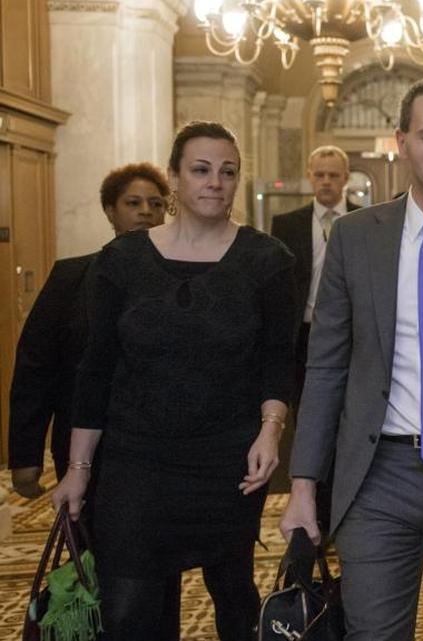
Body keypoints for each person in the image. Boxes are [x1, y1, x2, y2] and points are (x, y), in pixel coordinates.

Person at [279, 76, 423, 641]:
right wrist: (303, 485)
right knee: (372, 631)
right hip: (376, 475)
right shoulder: (355, 239)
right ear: (401, 142)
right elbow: (326, 367)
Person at [52, 120, 296, 641]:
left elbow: (278, 362)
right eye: (201, 170)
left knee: (234, 596)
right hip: (136, 461)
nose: (215, 182)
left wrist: (270, 430)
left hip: (226, 461)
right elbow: (96, 371)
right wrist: (78, 469)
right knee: (128, 606)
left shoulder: (267, 261)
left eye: (227, 172)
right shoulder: (122, 261)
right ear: (175, 179)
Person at [9, 163, 168, 499]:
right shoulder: (71, 278)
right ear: (110, 211)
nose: (146, 213)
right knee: (92, 544)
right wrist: (25, 457)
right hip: (83, 444)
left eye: (156, 204)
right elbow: (36, 368)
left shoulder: (184, 281)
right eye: (133, 203)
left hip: (161, 445)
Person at [270, 144, 360, 531]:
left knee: (347, 421)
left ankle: (344, 505)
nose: (326, 181)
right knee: (310, 420)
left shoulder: (364, 222)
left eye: (333, 175)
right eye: (320, 174)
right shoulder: (286, 224)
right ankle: (314, 508)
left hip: (354, 338)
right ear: (310, 175)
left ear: (346, 178)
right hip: (303, 336)